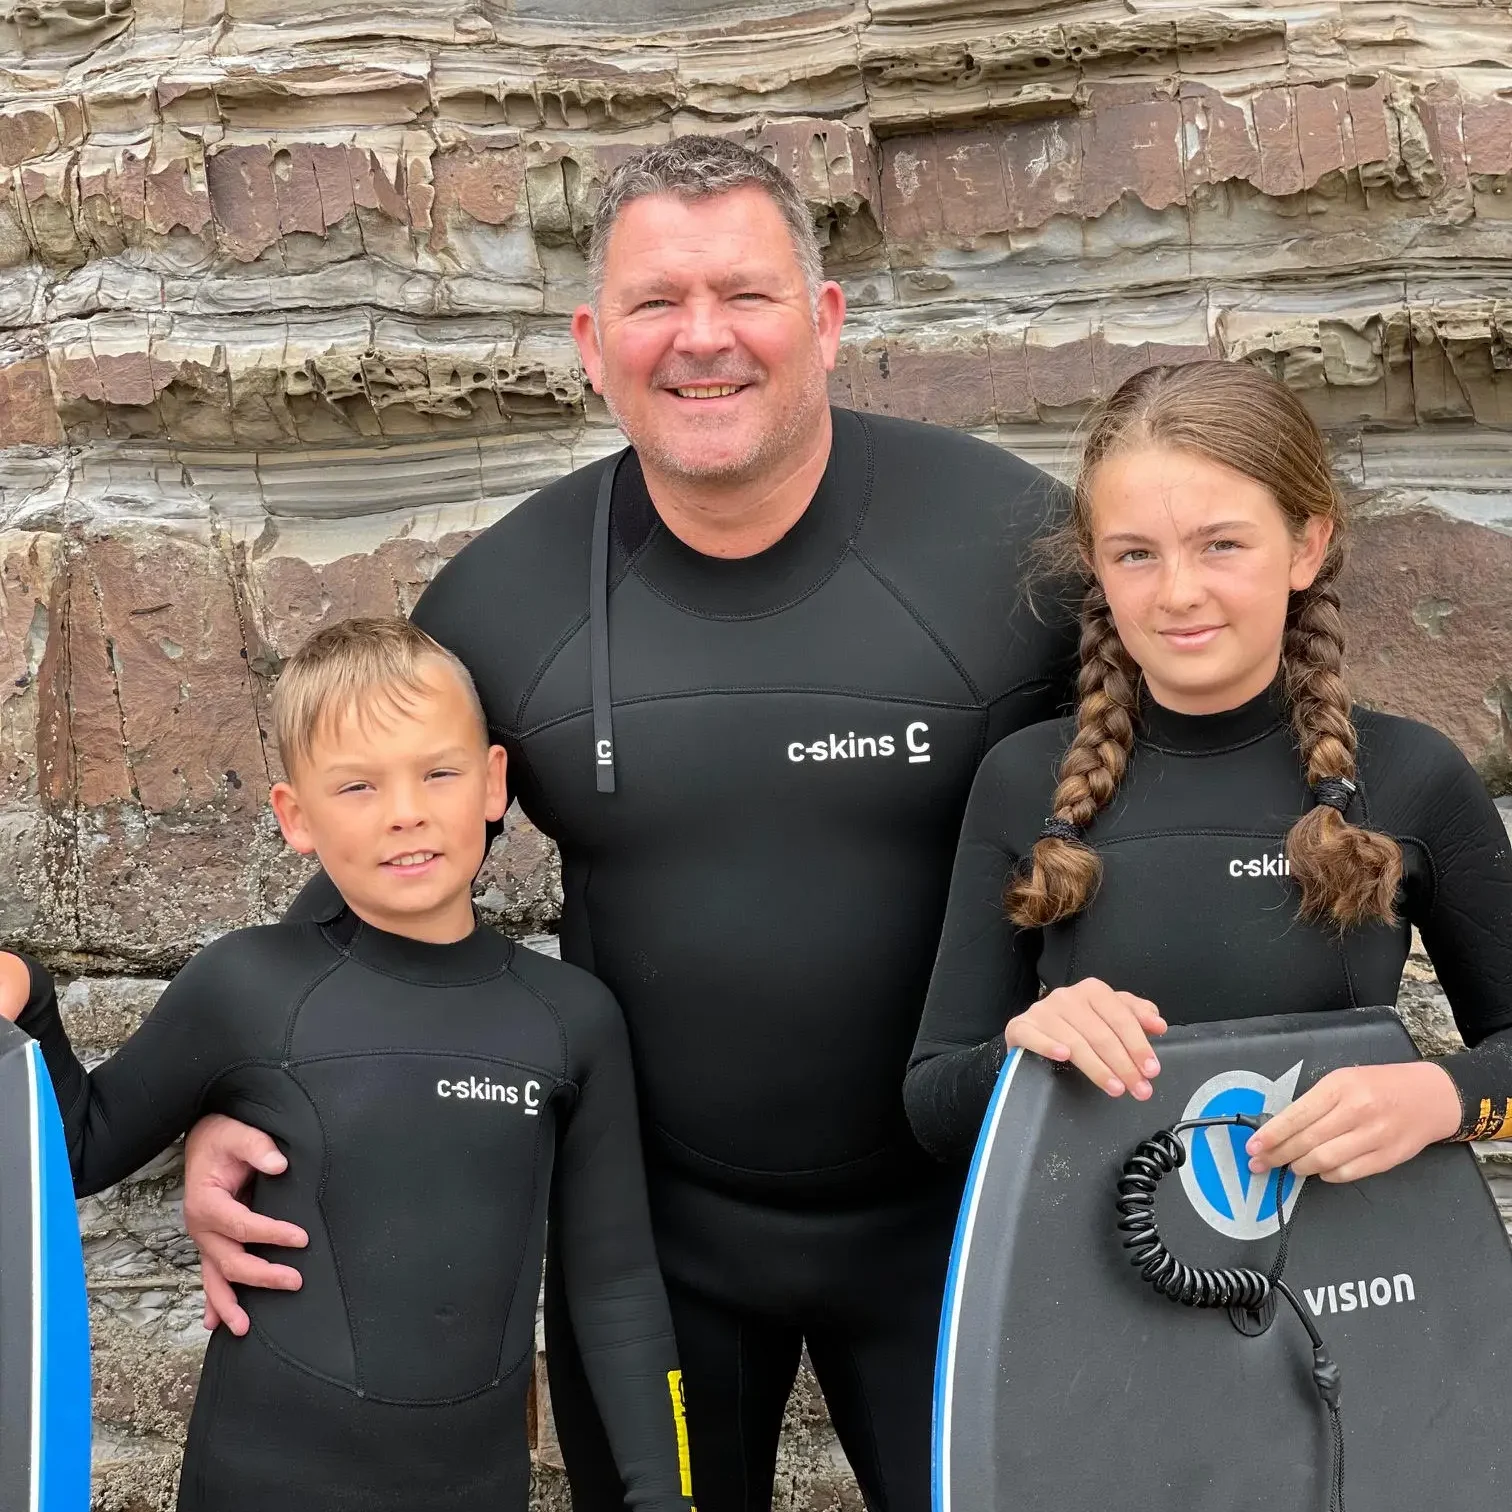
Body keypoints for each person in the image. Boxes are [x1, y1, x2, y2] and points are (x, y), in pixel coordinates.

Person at [178, 136, 1080, 1512]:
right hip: (654, 1250)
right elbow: (366, 897)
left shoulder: (1013, 544)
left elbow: (1197, 780)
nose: (701, 339)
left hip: (959, 1226)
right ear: (595, 344)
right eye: (657, 303)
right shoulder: (503, 605)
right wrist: (236, 1106)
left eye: (747, 295)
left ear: (826, 323)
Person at [0, 619, 696, 1512]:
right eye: (358, 786)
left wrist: (664, 1492)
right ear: (296, 817)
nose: (405, 810)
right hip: (260, 1480)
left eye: (437, 773)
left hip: (475, 1489)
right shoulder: (248, 984)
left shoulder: (571, 1019)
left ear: (492, 784)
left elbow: (617, 1286)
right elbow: (81, 1150)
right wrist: (35, 995)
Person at [904, 360, 1512, 1177]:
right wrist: (1021, 1052)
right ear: (1094, 561)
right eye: (1136, 554)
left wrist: (1438, 1098)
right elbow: (934, 1104)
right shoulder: (1024, 781)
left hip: (1353, 1288)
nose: (1178, 592)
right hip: (1105, 1281)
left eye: (1220, 544)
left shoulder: (1411, 775)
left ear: (1307, 545)